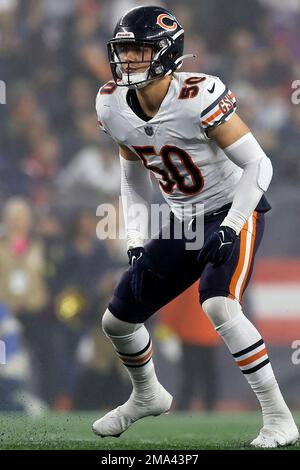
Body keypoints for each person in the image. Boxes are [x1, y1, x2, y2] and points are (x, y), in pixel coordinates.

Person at [92, 5, 298, 448]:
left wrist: (232, 226)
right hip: (184, 219)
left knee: (219, 305)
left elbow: (258, 165)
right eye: (123, 51)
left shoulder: (198, 95)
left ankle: (279, 418)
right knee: (117, 320)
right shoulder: (111, 102)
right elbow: (131, 175)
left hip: (231, 208)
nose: (127, 60)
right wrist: (135, 238)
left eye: (139, 51)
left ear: (167, 54)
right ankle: (147, 394)